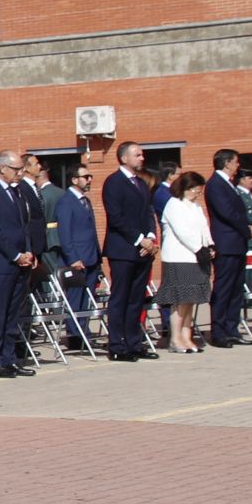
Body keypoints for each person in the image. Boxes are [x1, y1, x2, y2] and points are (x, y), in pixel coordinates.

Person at [0, 151, 40, 377]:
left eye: (21, 168)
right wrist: (15, 255)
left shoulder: (20, 192)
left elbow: (26, 225)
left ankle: (10, 358)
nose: (20, 173)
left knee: (13, 313)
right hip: (1, 263)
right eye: (16, 169)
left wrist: (29, 251)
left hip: (21, 261)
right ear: (2, 168)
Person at [101, 141, 159, 362]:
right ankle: (117, 345)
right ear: (124, 158)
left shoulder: (141, 184)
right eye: (137, 155)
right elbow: (116, 217)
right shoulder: (114, 183)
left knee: (136, 299)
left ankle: (134, 342)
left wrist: (151, 238)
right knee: (120, 298)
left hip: (143, 251)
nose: (142, 158)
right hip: (123, 250)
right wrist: (139, 240)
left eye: (142, 154)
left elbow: (148, 213)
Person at [156, 171, 212, 355]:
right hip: (179, 257)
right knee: (180, 299)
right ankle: (175, 338)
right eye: (194, 188)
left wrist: (209, 244)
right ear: (185, 187)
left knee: (191, 299)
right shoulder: (174, 204)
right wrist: (198, 248)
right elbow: (182, 231)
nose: (197, 192)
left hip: (195, 257)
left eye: (199, 189)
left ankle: (187, 336)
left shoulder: (195, 206)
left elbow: (203, 227)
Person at [203, 149, 251, 348]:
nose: (237, 166)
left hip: (237, 244)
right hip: (226, 243)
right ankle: (219, 331)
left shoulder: (229, 184)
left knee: (236, 289)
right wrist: (246, 227)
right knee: (224, 288)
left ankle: (232, 328)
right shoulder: (215, 184)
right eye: (235, 162)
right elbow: (227, 212)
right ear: (226, 163)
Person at [56, 164, 101, 332]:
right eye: (85, 177)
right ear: (74, 180)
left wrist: (98, 255)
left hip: (91, 258)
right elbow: (65, 233)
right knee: (75, 299)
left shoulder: (85, 201)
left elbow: (91, 231)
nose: (89, 180)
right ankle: (75, 333)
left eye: (90, 177)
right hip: (76, 259)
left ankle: (84, 330)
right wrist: (73, 258)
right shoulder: (66, 201)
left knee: (87, 299)